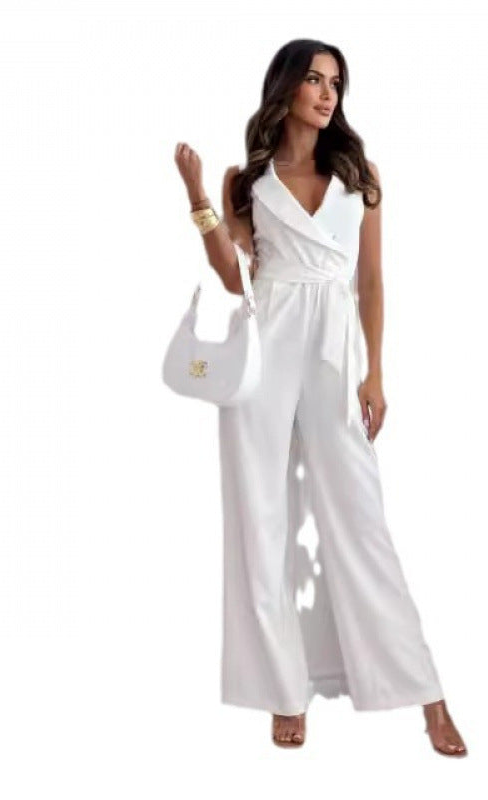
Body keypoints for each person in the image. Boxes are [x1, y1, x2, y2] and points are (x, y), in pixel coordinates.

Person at [174, 39, 467, 757]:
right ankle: (284, 691)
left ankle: (426, 693)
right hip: (267, 346)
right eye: (314, 79)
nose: (328, 92)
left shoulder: (359, 175)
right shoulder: (250, 179)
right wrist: (199, 197)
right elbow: (234, 277)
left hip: (336, 355)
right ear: (287, 88)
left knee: (362, 520)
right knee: (259, 515)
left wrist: (375, 373)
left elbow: (371, 281)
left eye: (335, 81)